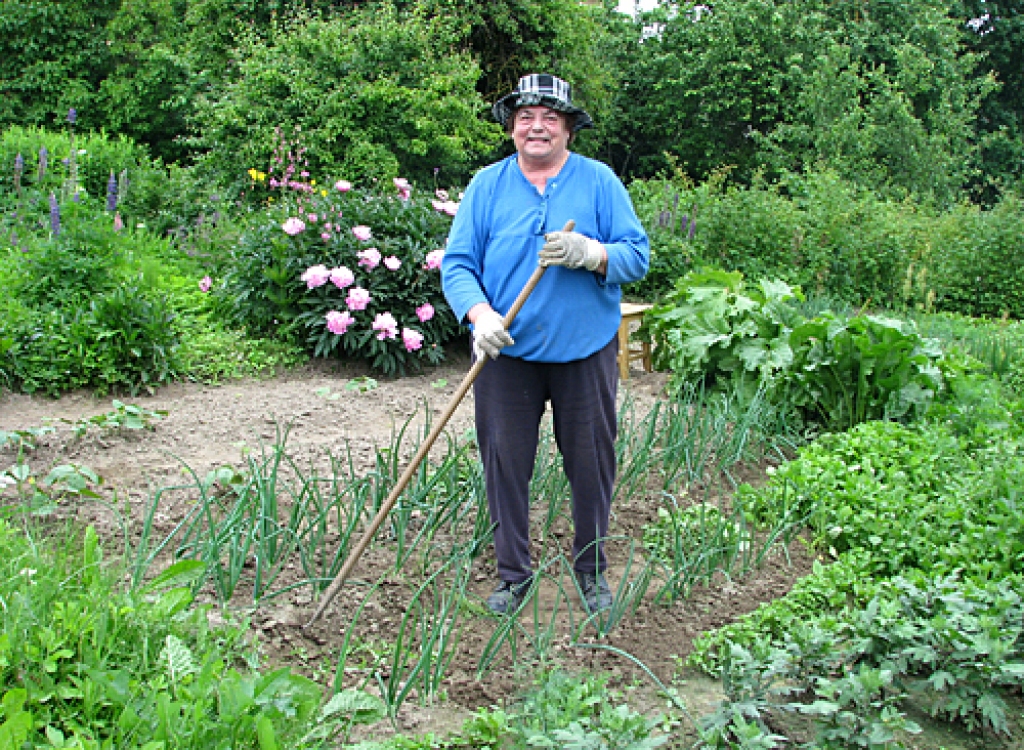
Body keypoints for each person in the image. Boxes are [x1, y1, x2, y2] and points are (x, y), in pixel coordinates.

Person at [441, 73, 650, 616]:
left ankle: (592, 569)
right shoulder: (486, 186)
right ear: (511, 128)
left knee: (591, 462)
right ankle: (513, 575)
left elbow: (638, 256)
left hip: (585, 349)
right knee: (505, 464)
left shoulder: (600, 182)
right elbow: (458, 265)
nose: (538, 126)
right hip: (505, 353)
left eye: (550, 117)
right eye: (526, 116)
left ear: (568, 130)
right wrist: (479, 314)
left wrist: (592, 252)